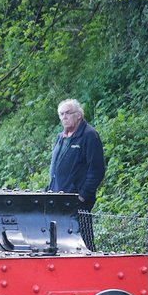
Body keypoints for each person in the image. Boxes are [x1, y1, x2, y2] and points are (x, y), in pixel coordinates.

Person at [48, 98, 105, 248]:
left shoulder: (89, 135)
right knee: (61, 243)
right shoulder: (61, 137)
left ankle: (91, 269)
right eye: (61, 114)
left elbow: (97, 169)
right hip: (57, 199)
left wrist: (83, 195)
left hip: (78, 201)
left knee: (84, 242)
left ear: (78, 114)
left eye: (68, 113)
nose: (64, 117)